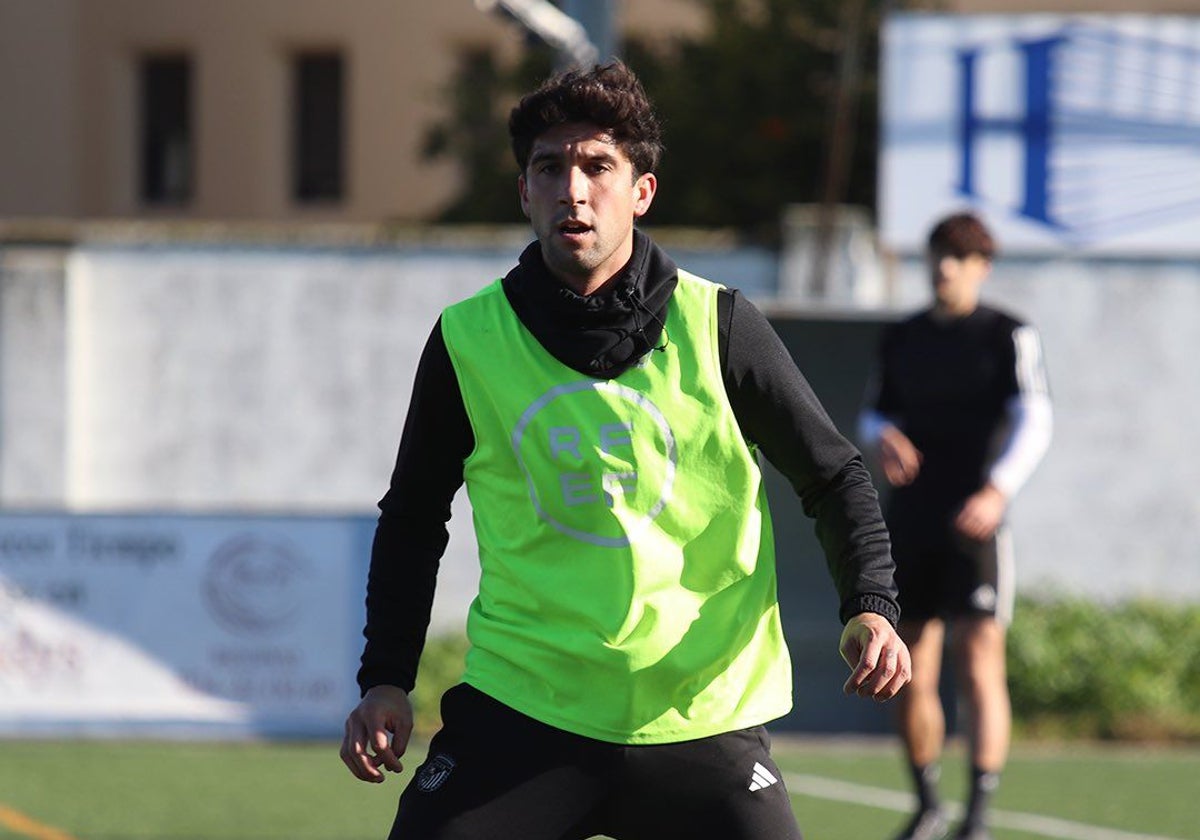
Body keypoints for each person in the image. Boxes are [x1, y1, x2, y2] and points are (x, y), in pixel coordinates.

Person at [340, 60, 911, 840]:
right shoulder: (467, 339)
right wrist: (385, 679)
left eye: (597, 166)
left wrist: (870, 605)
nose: (573, 189)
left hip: (699, 715)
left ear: (641, 191)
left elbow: (833, 473)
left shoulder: (721, 324)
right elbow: (412, 519)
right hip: (526, 711)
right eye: (550, 168)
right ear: (525, 193)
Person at [858, 212, 1053, 840]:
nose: (946, 267)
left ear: (982, 267)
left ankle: (978, 814)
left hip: (976, 523)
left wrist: (997, 491)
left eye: (960, 257)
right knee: (911, 661)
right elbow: (872, 415)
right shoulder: (904, 337)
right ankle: (927, 804)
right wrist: (883, 436)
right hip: (910, 521)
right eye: (939, 254)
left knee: (979, 662)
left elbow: (1035, 418)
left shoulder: (1007, 335)